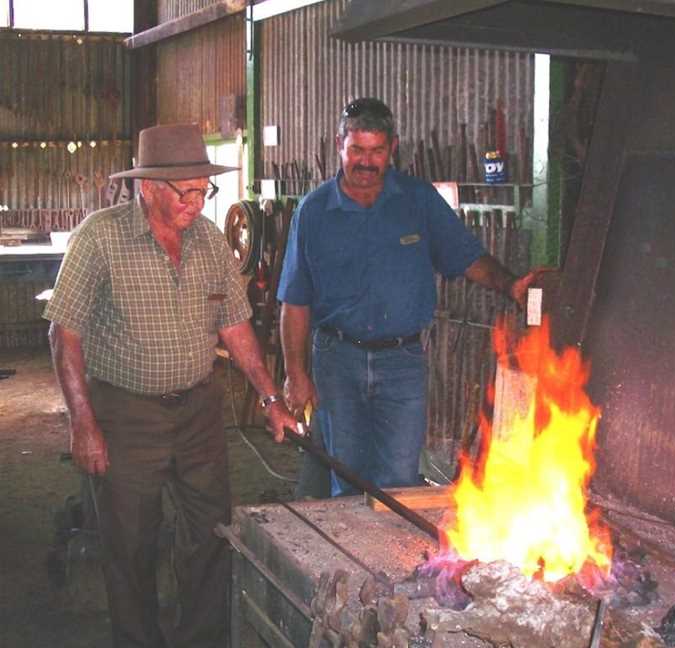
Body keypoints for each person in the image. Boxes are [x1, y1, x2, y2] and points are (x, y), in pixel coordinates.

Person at [44, 123, 296, 648]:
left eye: (204, 191)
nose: (196, 203)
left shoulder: (207, 240)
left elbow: (235, 325)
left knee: (210, 535)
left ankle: (201, 638)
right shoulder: (101, 236)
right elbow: (63, 333)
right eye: (186, 192)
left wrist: (271, 397)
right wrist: (83, 425)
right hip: (126, 414)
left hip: (199, 413)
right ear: (148, 188)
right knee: (131, 544)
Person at [278, 97, 543, 497]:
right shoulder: (313, 212)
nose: (366, 162)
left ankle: (383, 561)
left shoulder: (417, 201)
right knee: (346, 475)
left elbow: (466, 258)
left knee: (399, 481)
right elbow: (294, 300)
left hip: (402, 363)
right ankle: (348, 560)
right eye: (356, 150)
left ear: (392, 149)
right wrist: (295, 373)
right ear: (339, 145)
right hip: (337, 360)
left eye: (377, 151)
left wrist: (510, 285)